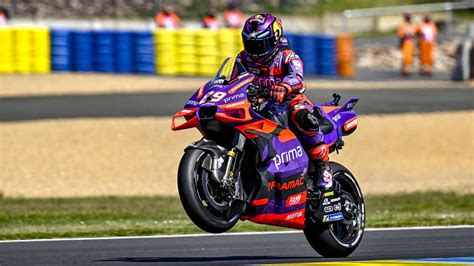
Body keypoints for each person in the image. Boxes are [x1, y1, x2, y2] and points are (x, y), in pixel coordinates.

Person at [237, 13, 336, 196]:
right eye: (250, 45)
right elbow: (232, 80)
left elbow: (298, 78)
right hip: (256, 104)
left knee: (302, 117)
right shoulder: (242, 59)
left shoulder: (288, 57)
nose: (255, 51)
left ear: (275, 39)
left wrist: (284, 86)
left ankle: (323, 168)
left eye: (260, 45)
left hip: (288, 101)